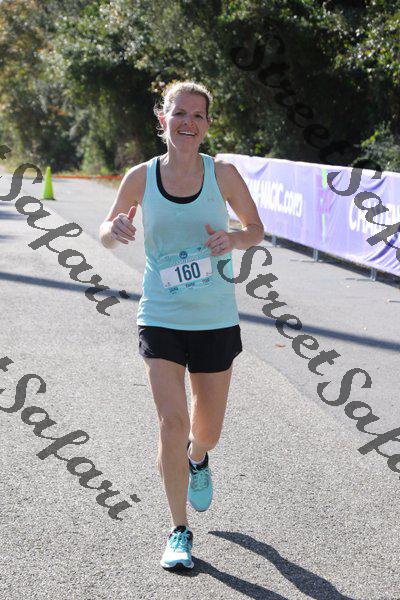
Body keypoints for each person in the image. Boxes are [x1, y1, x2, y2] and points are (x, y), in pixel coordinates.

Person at [99, 81, 264, 570]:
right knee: (172, 424)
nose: (188, 122)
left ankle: (199, 458)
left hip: (214, 318)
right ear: (163, 118)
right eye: (179, 113)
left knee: (204, 432)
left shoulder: (223, 174)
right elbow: (106, 232)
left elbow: (255, 229)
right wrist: (115, 230)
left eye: (197, 115)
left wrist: (233, 240)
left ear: (207, 125)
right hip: (161, 315)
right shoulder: (141, 177)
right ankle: (178, 530)